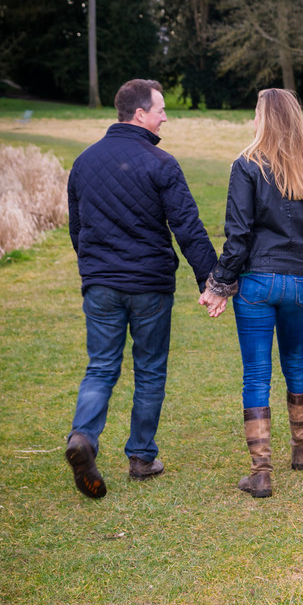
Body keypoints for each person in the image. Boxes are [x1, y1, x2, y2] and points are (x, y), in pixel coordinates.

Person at [66, 78, 217, 500]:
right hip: (149, 285)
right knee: (149, 370)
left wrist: (94, 268)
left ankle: (84, 437)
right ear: (139, 115)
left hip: (101, 286)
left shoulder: (84, 161)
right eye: (161, 109)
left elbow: (77, 229)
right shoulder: (162, 163)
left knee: (101, 367)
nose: (165, 116)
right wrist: (212, 280)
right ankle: (142, 457)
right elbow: (187, 227)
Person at [199, 88, 303, 499]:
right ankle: (301, 451)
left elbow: (238, 234)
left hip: (258, 285)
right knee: (296, 361)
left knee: (257, 374)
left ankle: (261, 472)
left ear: (264, 119)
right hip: (299, 284)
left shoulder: (246, 164)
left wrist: (219, 284)